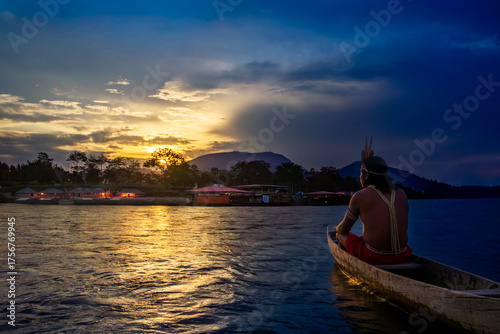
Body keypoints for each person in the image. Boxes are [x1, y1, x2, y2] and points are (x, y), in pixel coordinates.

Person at [334, 141, 412, 265]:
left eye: (361, 172)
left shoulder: (360, 196)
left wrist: (336, 229)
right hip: (403, 255)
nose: (360, 176)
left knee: (339, 235)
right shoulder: (401, 193)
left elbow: (344, 229)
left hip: (374, 256)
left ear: (366, 175)